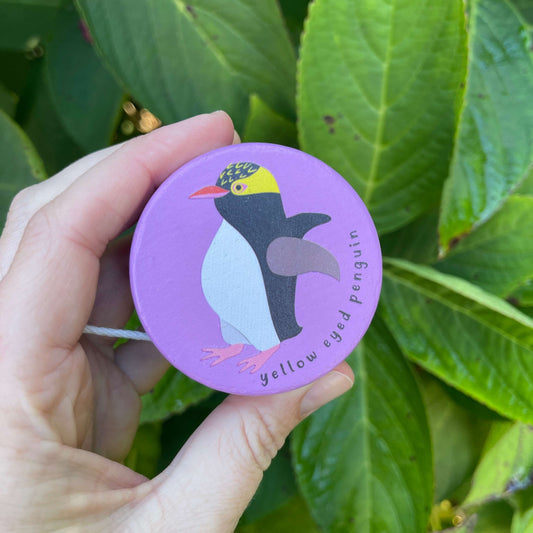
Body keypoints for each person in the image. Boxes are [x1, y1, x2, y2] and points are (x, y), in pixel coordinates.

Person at [0, 112, 354, 532]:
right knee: (232, 309)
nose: (221, 193)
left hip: (274, 327)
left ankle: (267, 343)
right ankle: (239, 342)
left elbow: (304, 259)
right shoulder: (229, 233)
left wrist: (275, 352)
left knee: (258, 300)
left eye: (234, 189)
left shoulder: (269, 240)